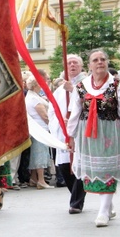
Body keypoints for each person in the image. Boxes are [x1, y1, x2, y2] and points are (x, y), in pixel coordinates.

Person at [67, 49, 120, 227]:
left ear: (107, 62)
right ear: (89, 65)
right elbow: (75, 112)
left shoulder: (117, 85)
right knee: (95, 173)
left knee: (108, 170)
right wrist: (71, 135)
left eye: (103, 59)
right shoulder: (81, 86)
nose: (99, 62)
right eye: (95, 60)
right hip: (88, 134)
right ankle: (108, 206)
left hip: (111, 132)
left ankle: (103, 211)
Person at [48, 54, 87, 213]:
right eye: (69, 63)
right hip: (63, 133)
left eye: (75, 63)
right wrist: (59, 123)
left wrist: (75, 90)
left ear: (81, 66)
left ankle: (76, 202)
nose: (72, 65)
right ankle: (77, 196)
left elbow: (92, 102)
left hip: (81, 132)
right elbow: (52, 111)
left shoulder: (87, 84)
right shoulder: (59, 91)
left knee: (80, 166)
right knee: (65, 167)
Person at [25, 75, 54, 189]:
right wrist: (51, 125)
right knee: (40, 153)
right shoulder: (34, 99)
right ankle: (41, 180)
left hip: (35, 129)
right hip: (40, 129)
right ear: (36, 85)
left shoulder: (31, 96)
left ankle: (33, 178)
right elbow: (44, 116)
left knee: (35, 153)